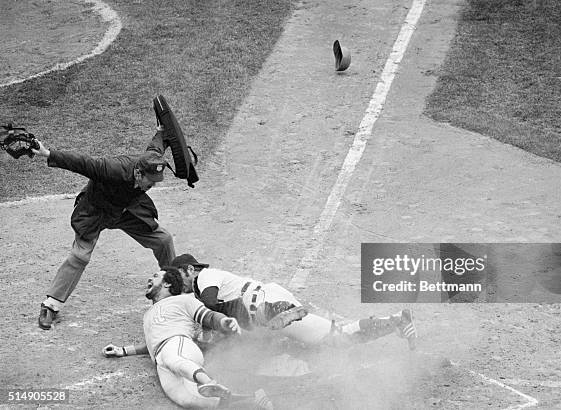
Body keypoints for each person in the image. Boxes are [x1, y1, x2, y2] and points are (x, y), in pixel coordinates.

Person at [32, 128, 176, 330]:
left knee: (163, 240)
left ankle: (174, 289)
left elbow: (156, 147)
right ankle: (51, 304)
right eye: (149, 182)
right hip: (94, 212)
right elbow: (82, 163)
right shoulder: (112, 168)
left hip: (127, 211)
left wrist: (162, 132)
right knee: (80, 256)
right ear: (137, 173)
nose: (152, 186)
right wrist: (48, 153)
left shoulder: (149, 163)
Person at [103, 267, 273, 410]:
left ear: (167, 283)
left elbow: (209, 316)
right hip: (161, 357)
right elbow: (152, 342)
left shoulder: (183, 300)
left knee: (173, 358)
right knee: (190, 400)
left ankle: (208, 381)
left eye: (155, 276)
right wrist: (123, 350)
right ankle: (255, 399)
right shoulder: (148, 315)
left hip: (179, 346)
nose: (150, 278)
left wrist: (223, 321)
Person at [170, 254, 417, 348]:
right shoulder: (215, 281)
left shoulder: (205, 277)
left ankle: (396, 321)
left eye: (180, 275)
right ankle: (391, 322)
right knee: (327, 335)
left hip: (266, 307)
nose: (179, 283)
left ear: (190, 269)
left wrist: (203, 334)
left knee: (334, 339)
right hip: (269, 299)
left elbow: (211, 306)